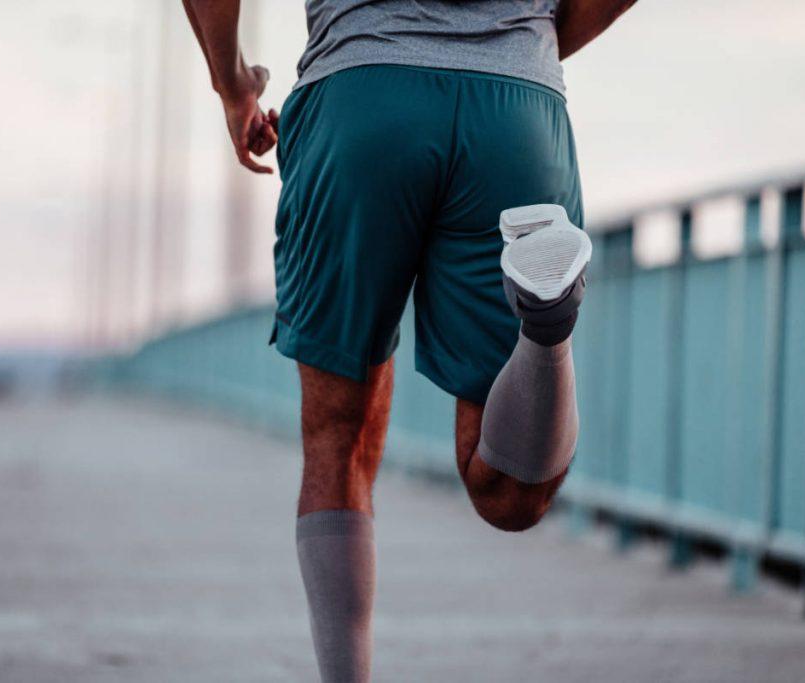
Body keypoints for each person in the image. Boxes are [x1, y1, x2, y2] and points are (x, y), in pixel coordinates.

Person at [182, 2, 637, 680]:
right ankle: (547, 328)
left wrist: (234, 83)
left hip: (359, 97)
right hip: (515, 113)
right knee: (511, 494)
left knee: (337, 436)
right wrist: (526, 42)